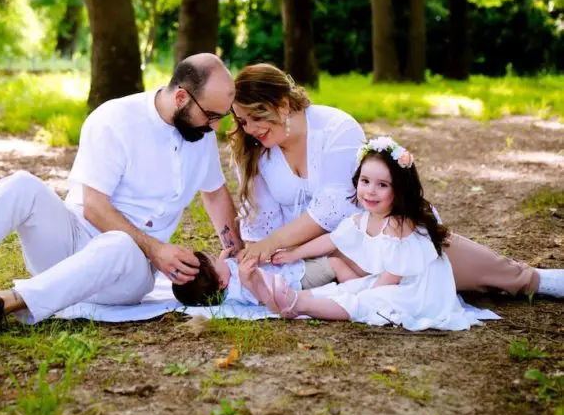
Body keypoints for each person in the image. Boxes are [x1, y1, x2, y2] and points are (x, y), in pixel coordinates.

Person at [0, 54, 242, 337]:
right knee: (20, 184)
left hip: (127, 271)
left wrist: (234, 248)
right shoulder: (115, 120)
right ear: (181, 96)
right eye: (211, 115)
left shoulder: (201, 138)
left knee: (120, 244)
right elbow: (94, 208)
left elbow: (214, 193)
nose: (215, 127)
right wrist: (159, 249)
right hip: (71, 240)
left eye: (221, 117)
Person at [232, 63, 564, 299]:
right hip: (313, 256)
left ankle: (534, 279)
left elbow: (332, 213)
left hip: (373, 236)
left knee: (440, 264)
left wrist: (270, 244)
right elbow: (261, 221)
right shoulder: (259, 153)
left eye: (255, 117)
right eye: (242, 121)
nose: (250, 130)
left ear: (284, 104)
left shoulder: (335, 128)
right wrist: (255, 251)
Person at [241, 135, 489, 330]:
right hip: (392, 281)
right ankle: (281, 296)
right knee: (346, 289)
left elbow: (394, 274)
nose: (370, 191)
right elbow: (331, 240)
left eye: (382, 185)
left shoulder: (398, 224)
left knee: (364, 300)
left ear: (399, 191)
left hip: (416, 292)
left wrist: (368, 291)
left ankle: (297, 304)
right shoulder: (363, 218)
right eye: (365, 181)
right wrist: (294, 254)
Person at [171, 248, 304, 307]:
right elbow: (264, 297)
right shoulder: (238, 291)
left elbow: (219, 270)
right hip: (295, 277)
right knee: (323, 268)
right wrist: (247, 279)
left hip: (287, 262)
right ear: (222, 283)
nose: (219, 259)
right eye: (215, 259)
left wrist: (223, 257)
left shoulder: (222, 275)